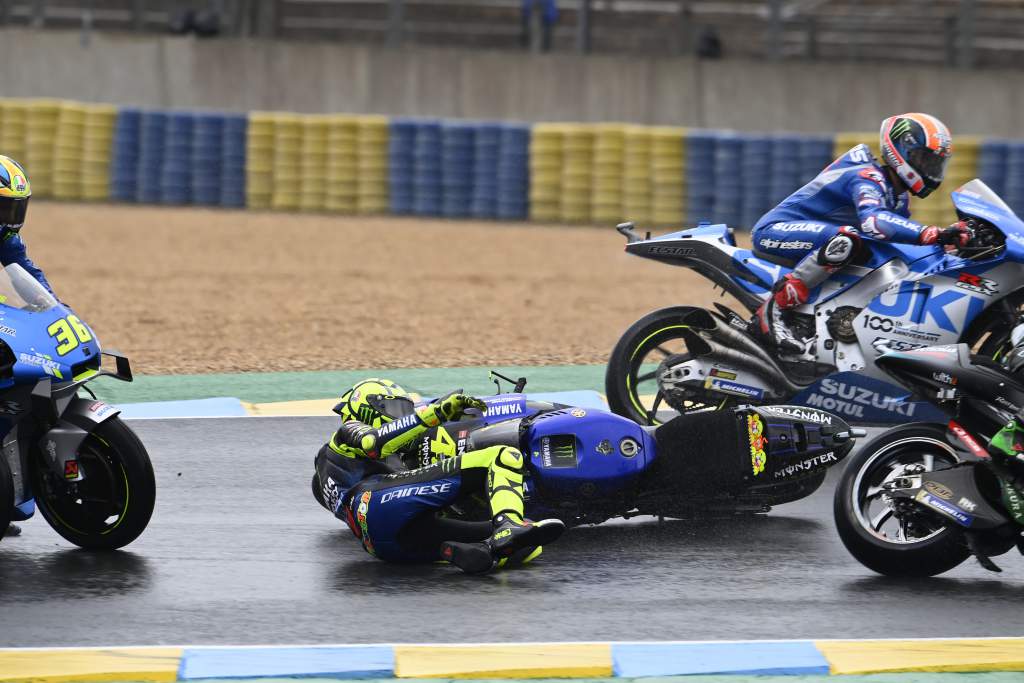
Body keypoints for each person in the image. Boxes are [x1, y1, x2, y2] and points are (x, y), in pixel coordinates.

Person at [750, 113, 971, 356]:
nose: (931, 170)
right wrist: (934, 233)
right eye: (925, 160)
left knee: (883, 256)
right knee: (847, 239)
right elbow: (874, 222)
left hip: (818, 240)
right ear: (901, 150)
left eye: (936, 164)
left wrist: (947, 248)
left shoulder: (898, 198)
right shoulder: (867, 176)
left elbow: (897, 240)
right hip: (776, 229)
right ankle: (775, 310)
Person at [312, 379, 565, 574]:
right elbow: (373, 442)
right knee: (501, 456)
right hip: (380, 502)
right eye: (393, 408)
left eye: (406, 410)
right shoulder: (346, 433)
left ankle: (485, 553)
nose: (400, 416)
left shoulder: (329, 473)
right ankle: (508, 523)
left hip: (387, 546)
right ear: (364, 409)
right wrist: (436, 413)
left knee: (529, 544)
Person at [0, 155, 54, 294]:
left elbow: (27, 273)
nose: (8, 218)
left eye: (14, 208)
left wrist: (55, 306)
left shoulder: (6, 237)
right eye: (3, 209)